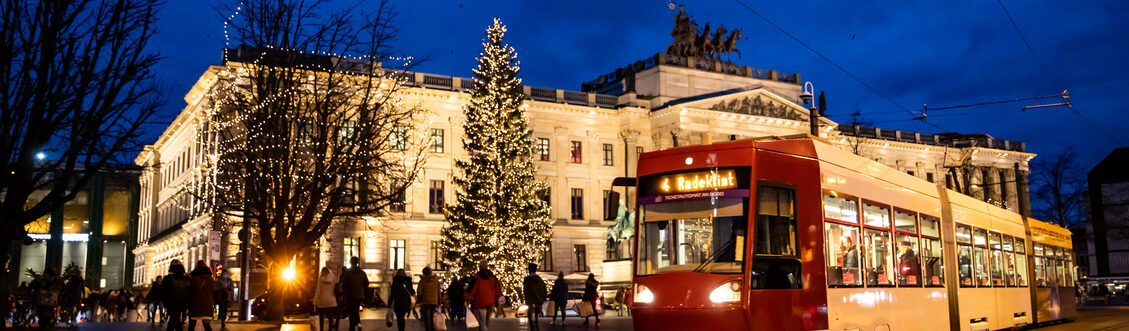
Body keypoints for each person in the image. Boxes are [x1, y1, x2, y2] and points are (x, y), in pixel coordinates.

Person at [465, 261, 501, 331]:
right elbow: (497, 290)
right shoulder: (492, 277)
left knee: (482, 323)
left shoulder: (477, 278)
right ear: (487, 267)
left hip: (480, 303)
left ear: (479, 267)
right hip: (491, 302)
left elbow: (472, 291)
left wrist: (467, 299)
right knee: (487, 322)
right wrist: (497, 301)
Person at [161, 260, 192, 331]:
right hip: (183, 302)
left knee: (175, 319)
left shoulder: (167, 278)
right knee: (174, 319)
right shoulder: (187, 278)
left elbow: (163, 291)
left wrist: (165, 302)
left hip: (171, 302)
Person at [340, 257, 369, 331]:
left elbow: (344, 284)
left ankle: (352, 326)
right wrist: (362, 289)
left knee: (351, 311)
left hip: (350, 295)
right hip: (359, 295)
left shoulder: (348, 273)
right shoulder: (362, 272)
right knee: (356, 310)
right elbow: (367, 283)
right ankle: (358, 323)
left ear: (351, 262)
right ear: (357, 263)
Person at [187, 261, 215, 331]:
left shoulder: (193, 278)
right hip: (207, 304)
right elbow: (213, 291)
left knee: (192, 325)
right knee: (207, 325)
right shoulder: (210, 279)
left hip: (195, 304)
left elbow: (190, 291)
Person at [312, 266, 339, 331]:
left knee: (321, 316)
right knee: (331, 316)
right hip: (331, 300)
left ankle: (321, 328)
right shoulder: (333, 278)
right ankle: (330, 328)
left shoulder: (321, 279)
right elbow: (337, 286)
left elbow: (318, 290)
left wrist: (315, 301)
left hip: (322, 300)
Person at [522, 263, 547, 331]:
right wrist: (543, 299)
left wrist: (526, 300)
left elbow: (526, 291)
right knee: (536, 319)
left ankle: (533, 329)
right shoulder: (540, 280)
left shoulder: (527, 280)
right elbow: (544, 290)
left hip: (531, 302)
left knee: (531, 319)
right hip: (538, 302)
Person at [416, 267, 441, 331]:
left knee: (427, 319)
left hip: (425, 301)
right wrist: (439, 302)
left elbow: (419, 292)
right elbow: (439, 292)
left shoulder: (422, 281)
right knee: (431, 317)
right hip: (434, 301)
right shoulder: (436, 280)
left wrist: (419, 300)